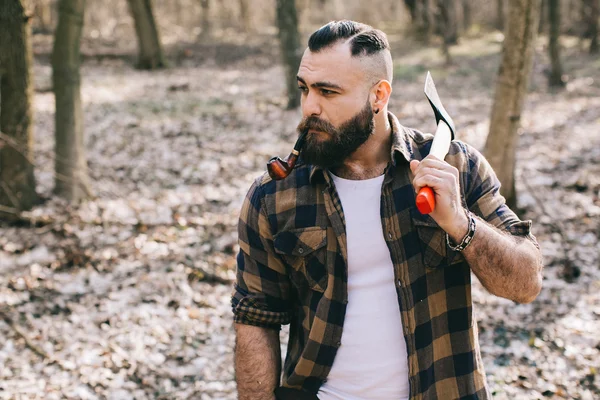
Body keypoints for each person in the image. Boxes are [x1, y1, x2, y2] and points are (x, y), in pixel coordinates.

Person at [231, 20, 543, 400]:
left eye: (328, 92)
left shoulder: (454, 167)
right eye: (305, 89)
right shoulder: (274, 195)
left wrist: (460, 224)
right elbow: (255, 319)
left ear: (378, 96)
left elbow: (526, 284)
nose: (310, 106)